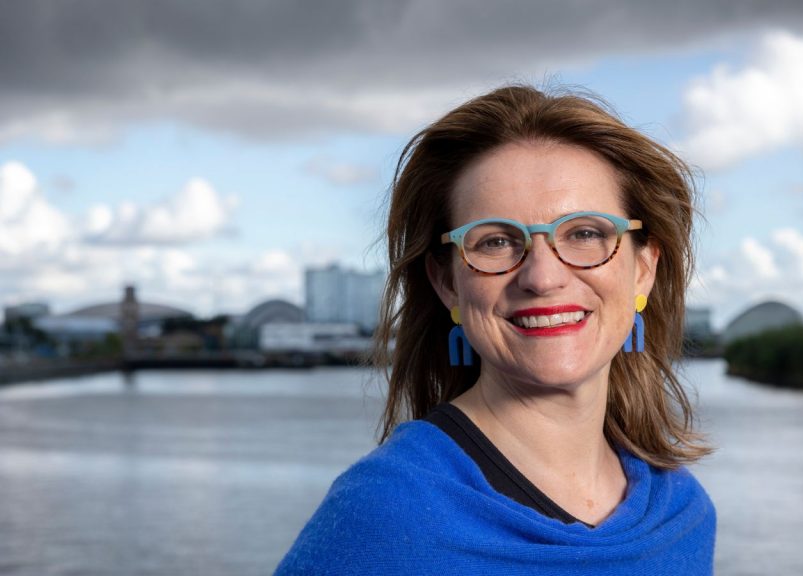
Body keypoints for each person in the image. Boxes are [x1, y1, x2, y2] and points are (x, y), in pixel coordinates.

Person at [274, 85, 716, 575]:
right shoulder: (384, 515)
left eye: (586, 233)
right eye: (497, 242)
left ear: (643, 270)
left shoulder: (682, 514)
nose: (543, 277)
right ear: (447, 282)